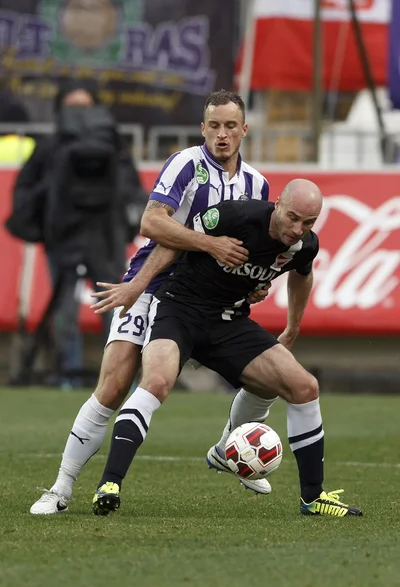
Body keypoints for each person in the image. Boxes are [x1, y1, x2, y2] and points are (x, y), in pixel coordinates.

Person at [30, 89, 271, 515]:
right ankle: (60, 488)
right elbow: (152, 222)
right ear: (202, 128)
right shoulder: (185, 164)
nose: (221, 134)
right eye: (213, 125)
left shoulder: (257, 184)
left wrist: (256, 283)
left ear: (244, 130)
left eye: (230, 126)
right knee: (113, 385)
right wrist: (205, 247)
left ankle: (228, 450)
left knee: (261, 376)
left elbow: (250, 249)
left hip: (207, 298)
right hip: (155, 284)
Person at [91, 179, 363, 517]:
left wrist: (292, 327)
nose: (298, 229)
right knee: (157, 383)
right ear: (277, 204)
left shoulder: (305, 245)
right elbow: (172, 241)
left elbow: (302, 274)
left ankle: (313, 498)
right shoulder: (236, 214)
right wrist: (138, 286)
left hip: (228, 321)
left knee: (304, 387)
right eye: (293, 217)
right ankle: (110, 484)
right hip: (179, 309)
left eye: (308, 222)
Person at [8, 79, 145, 388]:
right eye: (72, 107)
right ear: (60, 109)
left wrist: (125, 229)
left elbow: (132, 193)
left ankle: (124, 378)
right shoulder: (49, 147)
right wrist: (45, 220)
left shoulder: (113, 147)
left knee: (114, 309)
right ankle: (66, 375)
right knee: (64, 313)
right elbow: (26, 193)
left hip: (105, 239)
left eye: (84, 107)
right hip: (64, 238)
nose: (79, 115)